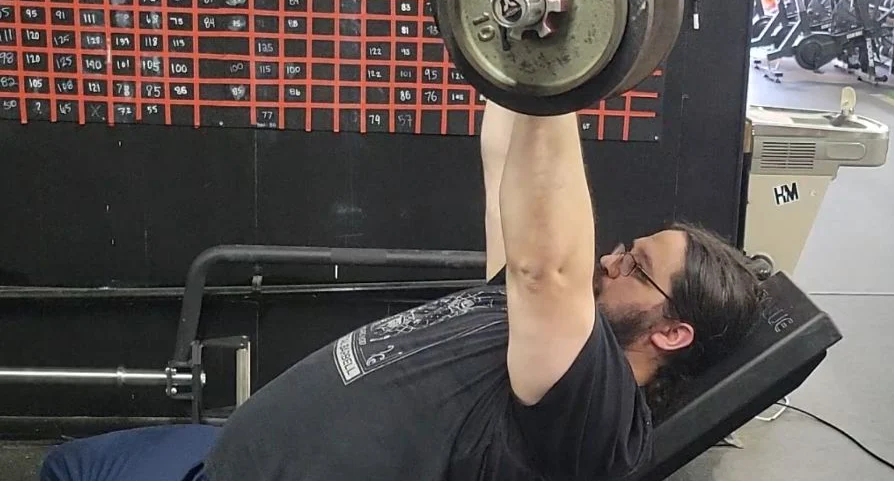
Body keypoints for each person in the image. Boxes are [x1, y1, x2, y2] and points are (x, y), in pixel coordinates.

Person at [42, 101, 763, 481]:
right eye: (620, 248)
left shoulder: (593, 411)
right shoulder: (527, 315)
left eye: (633, 264)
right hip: (227, 458)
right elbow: (503, 168)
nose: (608, 260)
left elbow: (550, 266)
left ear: (672, 331)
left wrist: (559, 74)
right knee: (67, 463)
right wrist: (514, 64)